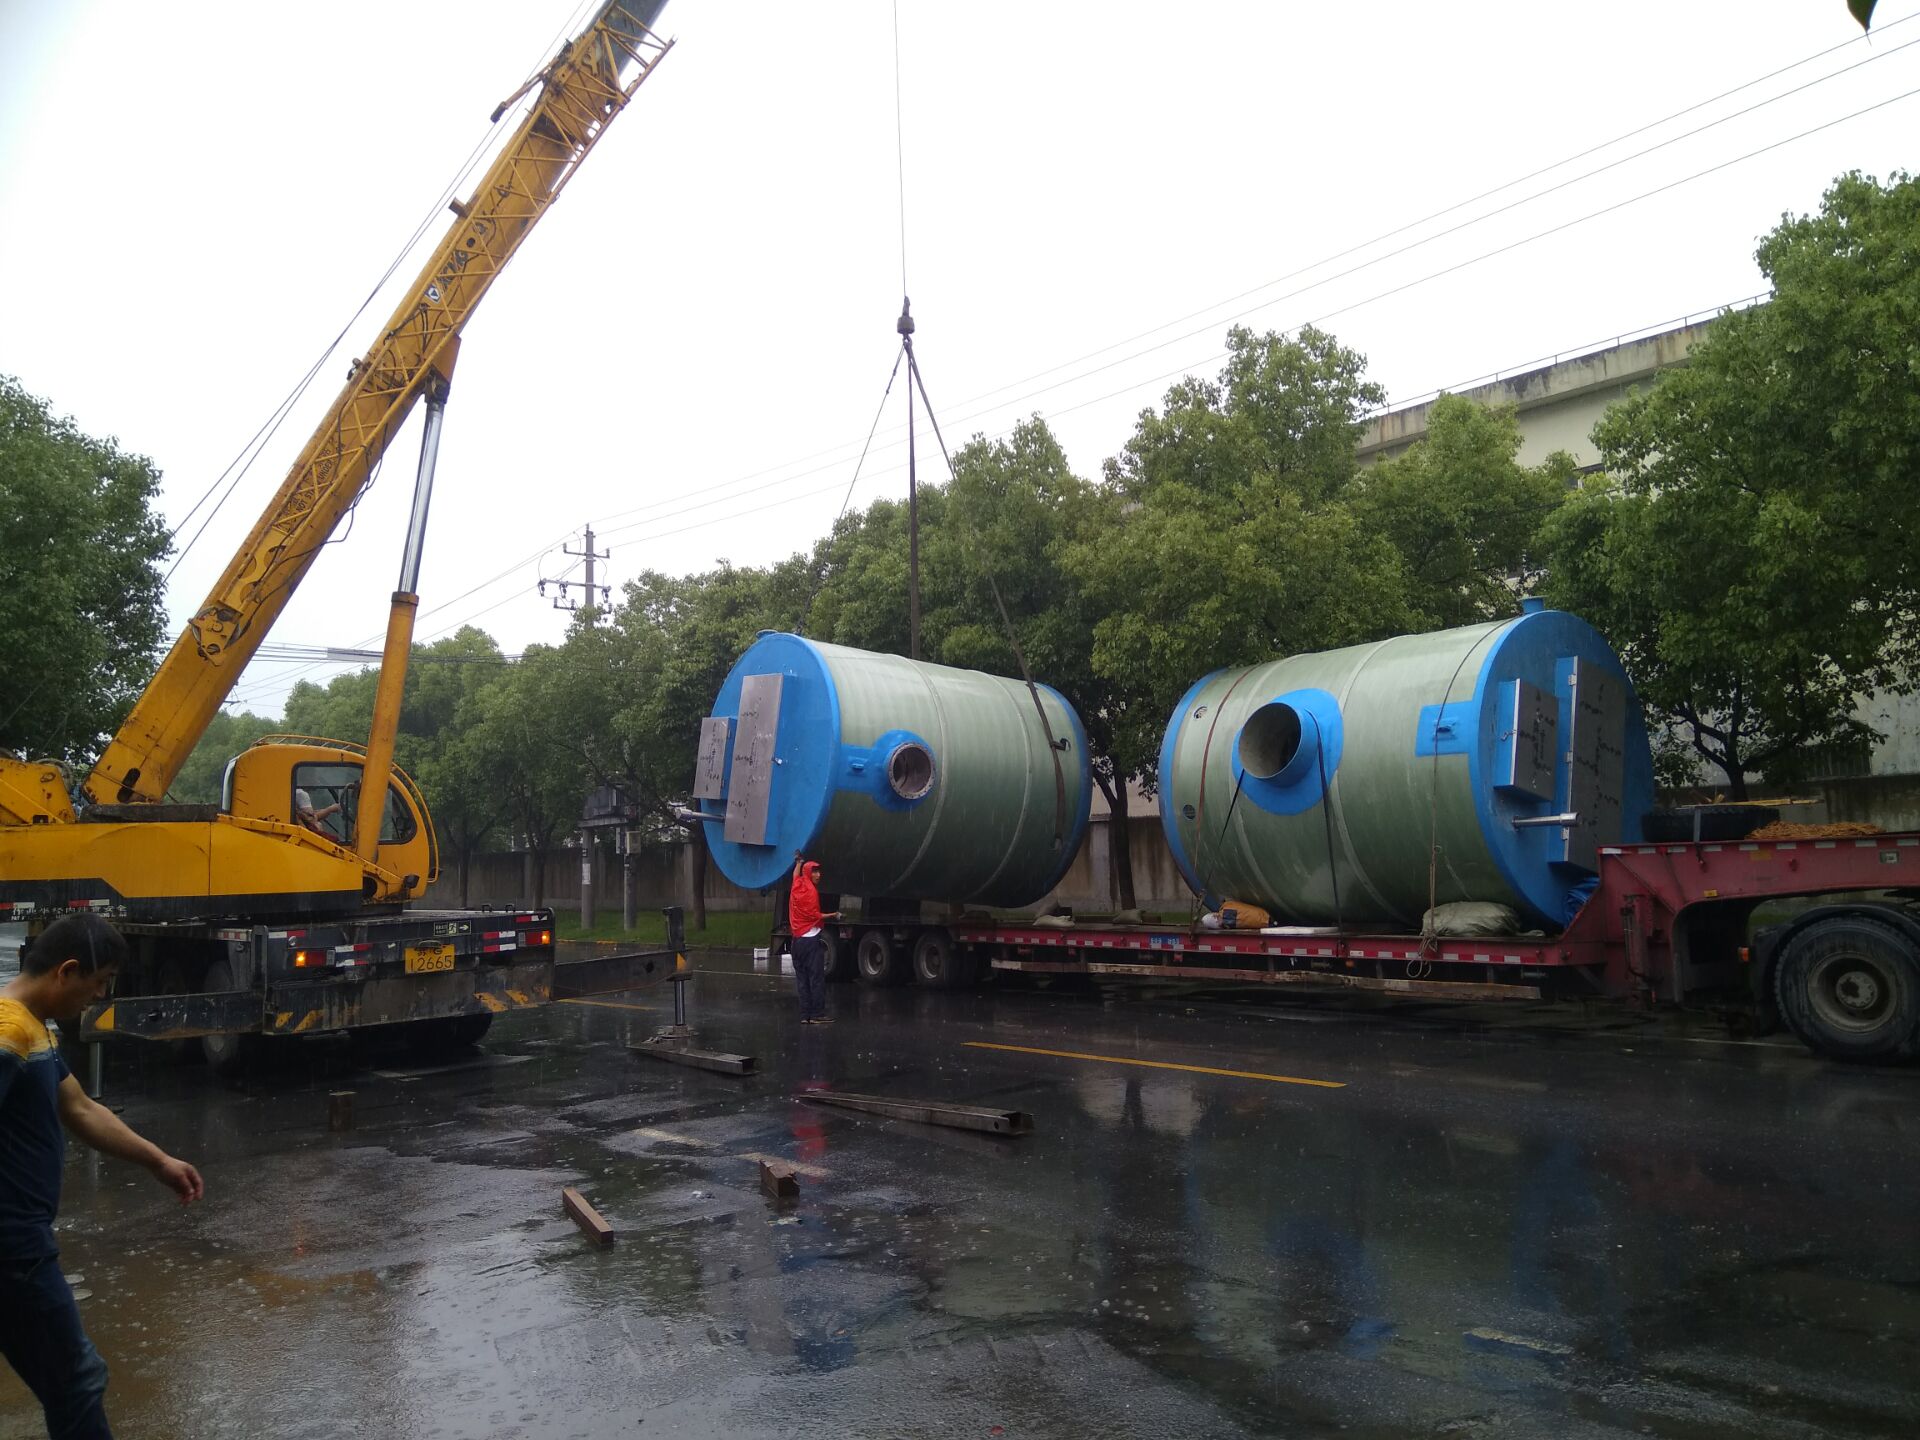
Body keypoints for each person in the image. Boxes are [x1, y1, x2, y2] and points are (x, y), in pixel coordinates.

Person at [2, 914, 205, 1440]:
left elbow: (80, 1108)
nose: (100, 995)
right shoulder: (8, 1033)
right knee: (75, 1382)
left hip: (21, 1244)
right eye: (100, 982)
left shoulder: (32, 1028)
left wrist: (158, 1161)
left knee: (69, 1380)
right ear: (66, 971)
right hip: (14, 1249)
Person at [787, 856, 840, 1025]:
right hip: (810, 941)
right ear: (809, 874)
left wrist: (798, 863)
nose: (818, 875)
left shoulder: (797, 884)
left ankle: (805, 1015)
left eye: (818, 872)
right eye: (815, 872)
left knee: (802, 980)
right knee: (816, 978)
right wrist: (834, 914)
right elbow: (815, 916)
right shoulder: (811, 892)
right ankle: (817, 1013)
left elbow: (795, 875)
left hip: (797, 941)